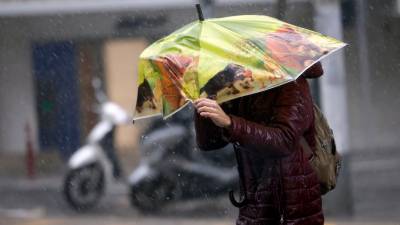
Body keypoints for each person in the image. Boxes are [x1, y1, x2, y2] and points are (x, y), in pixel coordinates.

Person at [193, 62, 324, 225]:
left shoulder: (292, 84)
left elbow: (284, 140)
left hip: (290, 204)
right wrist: (206, 100)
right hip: (254, 199)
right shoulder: (240, 84)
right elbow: (209, 143)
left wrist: (230, 123)